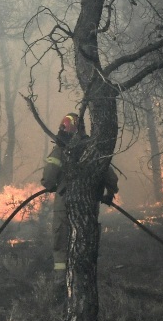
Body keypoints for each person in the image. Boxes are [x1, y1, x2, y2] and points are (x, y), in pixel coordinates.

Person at [41, 112, 119, 272]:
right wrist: (109, 195)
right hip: (89, 208)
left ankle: (61, 286)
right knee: (85, 246)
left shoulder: (60, 150)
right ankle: (82, 282)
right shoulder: (92, 151)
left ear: (65, 130)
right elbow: (111, 177)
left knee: (61, 247)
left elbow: (48, 179)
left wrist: (53, 186)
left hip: (64, 207)